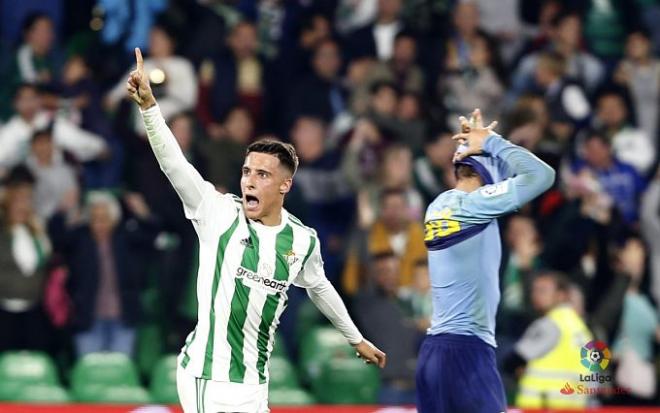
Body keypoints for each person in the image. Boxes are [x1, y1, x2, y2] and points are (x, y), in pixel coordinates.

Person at [126, 48, 385, 413]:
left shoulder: (301, 239)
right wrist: (150, 110)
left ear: (284, 185)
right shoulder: (216, 212)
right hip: (206, 377)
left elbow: (319, 286)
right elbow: (174, 165)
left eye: (262, 175)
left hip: (254, 382)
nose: (249, 180)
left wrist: (355, 339)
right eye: (247, 171)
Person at [416, 109, 555, 413]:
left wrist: (475, 146)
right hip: (468, 352)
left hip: (433, 354)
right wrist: (493, 142)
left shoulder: (437, 205)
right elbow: (543, 176)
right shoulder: (476, 205)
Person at [505, 272, 592, 409]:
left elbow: (514, 360)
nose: (536, 295)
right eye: (535, 290)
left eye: (543, 290)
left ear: (561, 295)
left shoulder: (551, 323)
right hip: (573, 405)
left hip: (543, 404)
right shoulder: (578, 326)